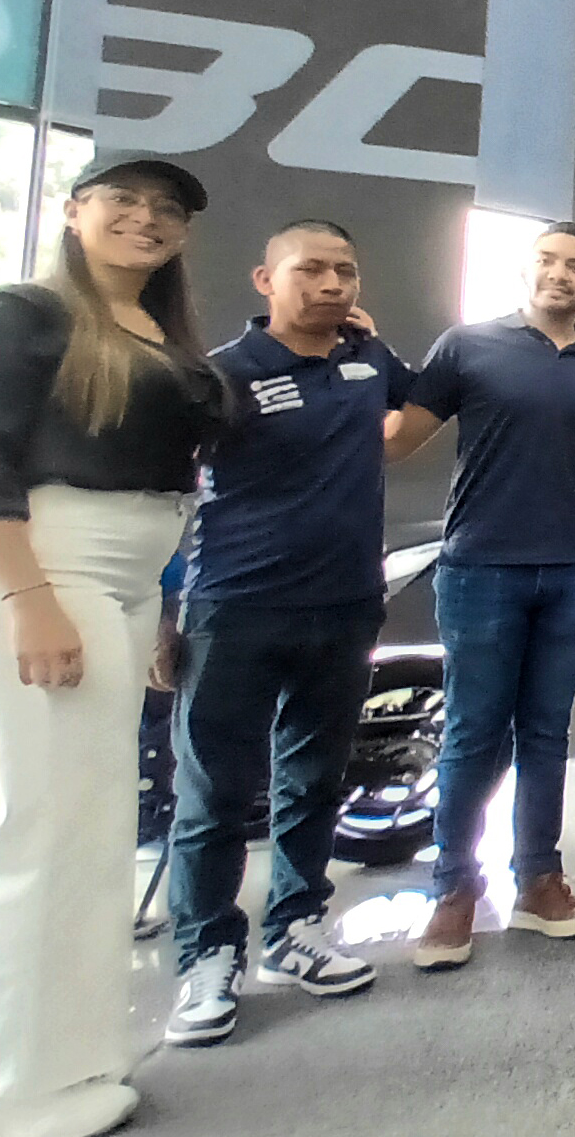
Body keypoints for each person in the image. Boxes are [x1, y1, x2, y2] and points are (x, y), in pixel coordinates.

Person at [0, 153, 226, 1137]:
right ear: (74, 211)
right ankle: (7, 1093)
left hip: (123, 583)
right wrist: (29, 600)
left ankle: (32, 1057)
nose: (147, 219)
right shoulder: (17, 317)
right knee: (47, 827)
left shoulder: (158, 335)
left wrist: (154, 609)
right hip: (47, 570)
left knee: (75, 822)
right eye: (123, 202)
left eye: (167, 209)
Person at [161, 219, 409, 1048]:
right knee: (214, 796)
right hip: (234, 609)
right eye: (311, 270)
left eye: (345, 271)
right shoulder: (222, 374)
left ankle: (295, 928)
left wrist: (371, 340)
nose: (332, 284)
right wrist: (163, 611)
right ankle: (206, 956)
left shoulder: (370, 361)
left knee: (314, 780)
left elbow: (415, 402)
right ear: (266, 280)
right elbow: (165, 493)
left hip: (345, 605)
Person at [386, 222, 575, 968]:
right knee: (473, 732)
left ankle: (539, 883)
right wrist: (354, 365)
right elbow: (399, 439)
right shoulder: (467, 346)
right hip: (481, 569)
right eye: (548, 261)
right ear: (525, 271)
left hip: (572, 571)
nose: (560, 274)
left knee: (547, 734)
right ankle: (454, 890)